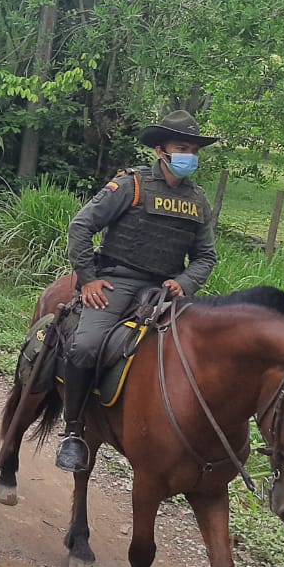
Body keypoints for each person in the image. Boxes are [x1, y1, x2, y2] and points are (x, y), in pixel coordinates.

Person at [55, 109, 220, 472]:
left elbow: (206, 256)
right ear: (161, 149)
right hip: (118, 281)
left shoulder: (199, 200)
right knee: (85, 346)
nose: (188, 156)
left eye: (194, 150)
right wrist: (89, 279)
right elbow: (82, 227)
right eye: (182, 147)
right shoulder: (130, 186)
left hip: (166, 292)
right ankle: (73, 431)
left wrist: (186, 282)